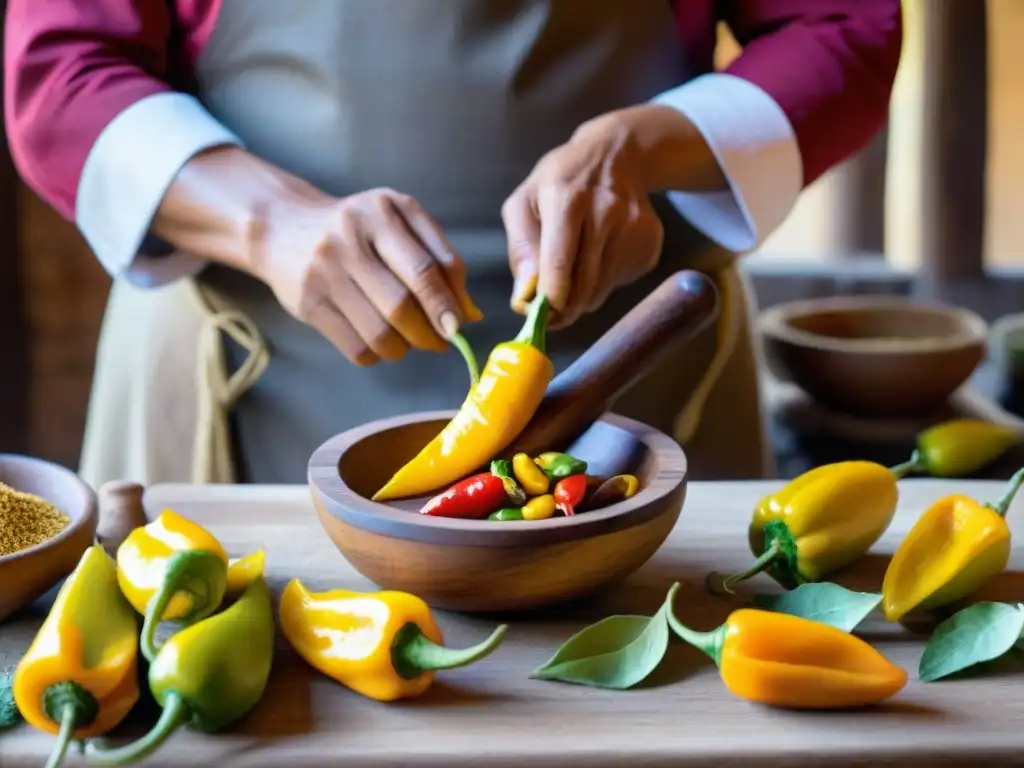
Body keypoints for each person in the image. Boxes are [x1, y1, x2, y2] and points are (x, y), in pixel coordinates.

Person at [5, 0, 902, 488]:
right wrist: (267, 219)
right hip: (235, 385)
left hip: (641, 379)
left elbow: (844, 28)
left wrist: (648, 144)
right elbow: (60, 64)